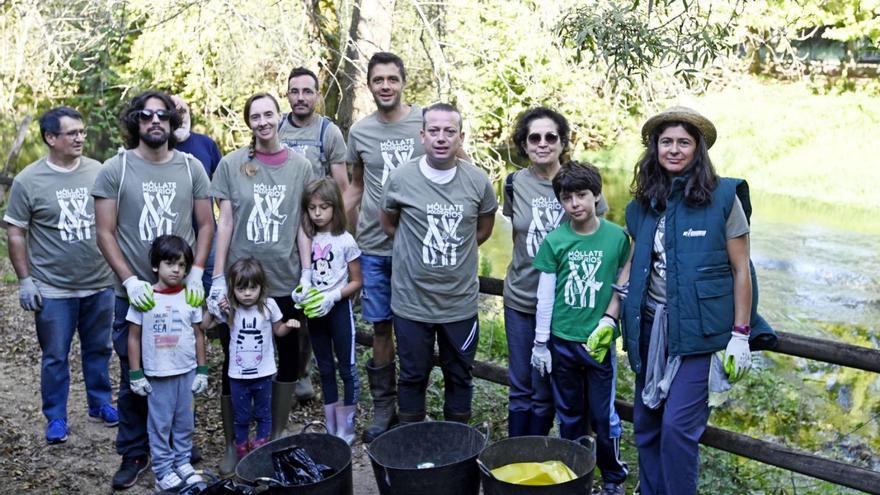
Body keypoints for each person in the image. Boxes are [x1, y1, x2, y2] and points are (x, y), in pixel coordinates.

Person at [621, 106, 775, 495]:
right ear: (654, 148)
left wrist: (740, 334)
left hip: (701, 335)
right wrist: (610, 317)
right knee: (648, 425)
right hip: (650, 330)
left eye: (683, 143)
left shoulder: (723, 197)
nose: (674, 150)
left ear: (698, 149)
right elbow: (633, 267)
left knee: (677, 430)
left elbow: (742, 270)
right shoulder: (642, 205)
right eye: (666, 142)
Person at [93, 90, 214, 490]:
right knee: (135, 376)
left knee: (179, 369)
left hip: (179, 294)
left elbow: (206, 224)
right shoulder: (117, 168)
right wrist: (129, 279)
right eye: (146, 116)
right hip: (134, 295)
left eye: (163, 115)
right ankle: (135, 451)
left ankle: (179, 450)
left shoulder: (191, 166)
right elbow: (105, 232)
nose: (155, 121)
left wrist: (196, 272)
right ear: (136, 122)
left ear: (173, 121)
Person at [207, 92, 314, 470]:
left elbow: (304, 224)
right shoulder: (231, 164)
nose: (263, 121)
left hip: (284, 279)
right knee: (234, 356)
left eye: (269, 114)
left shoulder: (301, 166)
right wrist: (218, 277)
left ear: (279, 117)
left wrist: (308, 273)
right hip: (241, 282)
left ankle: (276, 434)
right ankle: (232, 442)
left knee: (286, 357)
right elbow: (226, 222)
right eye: (256, 116)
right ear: (249, 121)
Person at [4, 106, 117, 444]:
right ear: (51, 138)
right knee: (55, 356)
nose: (80, 137)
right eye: (72, 133)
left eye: (82, 131)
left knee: (99, 349)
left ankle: (100, 403)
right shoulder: (28, 180)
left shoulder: (99, 171)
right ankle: (56, 416)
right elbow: (15, 232)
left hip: (99, 282)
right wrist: (25, 280)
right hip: (53, 289)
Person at [380, 103, 497, 424]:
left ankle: (455, 449)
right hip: (411, 302)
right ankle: (412, 445)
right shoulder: (401, 178)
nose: (441, 138)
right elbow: (389, 224)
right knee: (413, 376)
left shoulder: (477, 181)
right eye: (434, 131)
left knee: (459, 377)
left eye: (449, 131)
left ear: (461, 137)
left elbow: (483, 229)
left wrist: (454, 250)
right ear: (422, 135)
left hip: (458, 304)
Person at [502, 107, 610, 437]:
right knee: (522, 385)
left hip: (567, 306)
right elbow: (516, 233)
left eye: (551, 136)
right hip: (521, 298)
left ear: (563, 142)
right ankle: (517, 457)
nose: (543, 143)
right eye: (534, 137)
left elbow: (600, 238)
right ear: (524, 143)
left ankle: (553, 456)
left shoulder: (581, 184)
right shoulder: (513, 184)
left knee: (553, 388)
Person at [530, 162, 629, 495]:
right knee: (569, 413)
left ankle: (613, 477)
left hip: (597, 342)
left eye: (582, 195)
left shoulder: (617, 238)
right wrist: (541, 342)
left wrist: (609, 321)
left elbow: (624, 285)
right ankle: (572, 474)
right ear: (560, 200)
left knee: (604, 417)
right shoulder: (556, 240)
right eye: (567, 197)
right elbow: (545, 295)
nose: (575, 203)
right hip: (562, 341)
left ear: (596, 195)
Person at [344, 51, 425, 442]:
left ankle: (414, 408)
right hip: (375, 247)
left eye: (393, 79)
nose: (386, 86)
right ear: (371, 85)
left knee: (416, 331)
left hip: (420, 247)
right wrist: (340, 236)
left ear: (403, 81)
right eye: (379, 80)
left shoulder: (426, 123)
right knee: (381, 327)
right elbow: (356, 187)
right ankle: (383, 408)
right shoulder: (360, 132)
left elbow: (459, 168)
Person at [278, 67, 350, 403]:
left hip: (314, 226)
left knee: (310, 300)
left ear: (317, 94)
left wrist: (337, 233)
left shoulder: (328, 132)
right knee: (282, 296)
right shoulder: (276, 126)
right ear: (288, 94)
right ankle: (280, 370)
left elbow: (343, 186)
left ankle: (306, 373)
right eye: (295, 91)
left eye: (308, 91)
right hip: (279, 224)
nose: (301, 98)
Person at [126, 235, 207, 491]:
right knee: (160, 424)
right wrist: (136, 373)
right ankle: (162, 470)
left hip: (186, 370)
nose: (176, 270)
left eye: (182, 265)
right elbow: (133, 337)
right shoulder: (144, 297)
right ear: (155, 266)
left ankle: (182, 463)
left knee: (184, 422)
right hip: (158, 374)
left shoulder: (190, 297)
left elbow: (198, 334)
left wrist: (202, 370)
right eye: (170, 263)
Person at [203, 257, 299, 460]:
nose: (247, 293)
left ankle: (261, 445)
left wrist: (288, 326)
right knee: (241, 416)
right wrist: (212, 306)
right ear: (232, 288)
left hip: (264, 373)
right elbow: (205, 325)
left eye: (252, 288)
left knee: (264, 414)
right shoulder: (230, 308)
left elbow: (278, 331)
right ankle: (240, 447)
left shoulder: (269, 306)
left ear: (261, 287)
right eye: (241, 288)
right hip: (237, 376)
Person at [296, 177, 363, 445]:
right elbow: (306, 273)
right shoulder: (307, 238)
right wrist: (302, 290)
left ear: (335, 207)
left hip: (338, 311)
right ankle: (332, 424)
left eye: (324, 207)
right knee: (324, 368)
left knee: (346, 367)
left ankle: (347, 426)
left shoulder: (345, 240)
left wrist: (334, 296)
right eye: (312, 208)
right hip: (316, 314)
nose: (318, 213)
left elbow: (357, 281)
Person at [171, 94, 222, 293]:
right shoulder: (157, 146)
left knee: (215, 294)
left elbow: (220, 189)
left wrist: (228, 227)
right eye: (173, 112)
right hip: (172, 238)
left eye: (182, 111)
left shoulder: (206, 144)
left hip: (208, 233)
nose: (180, 116)